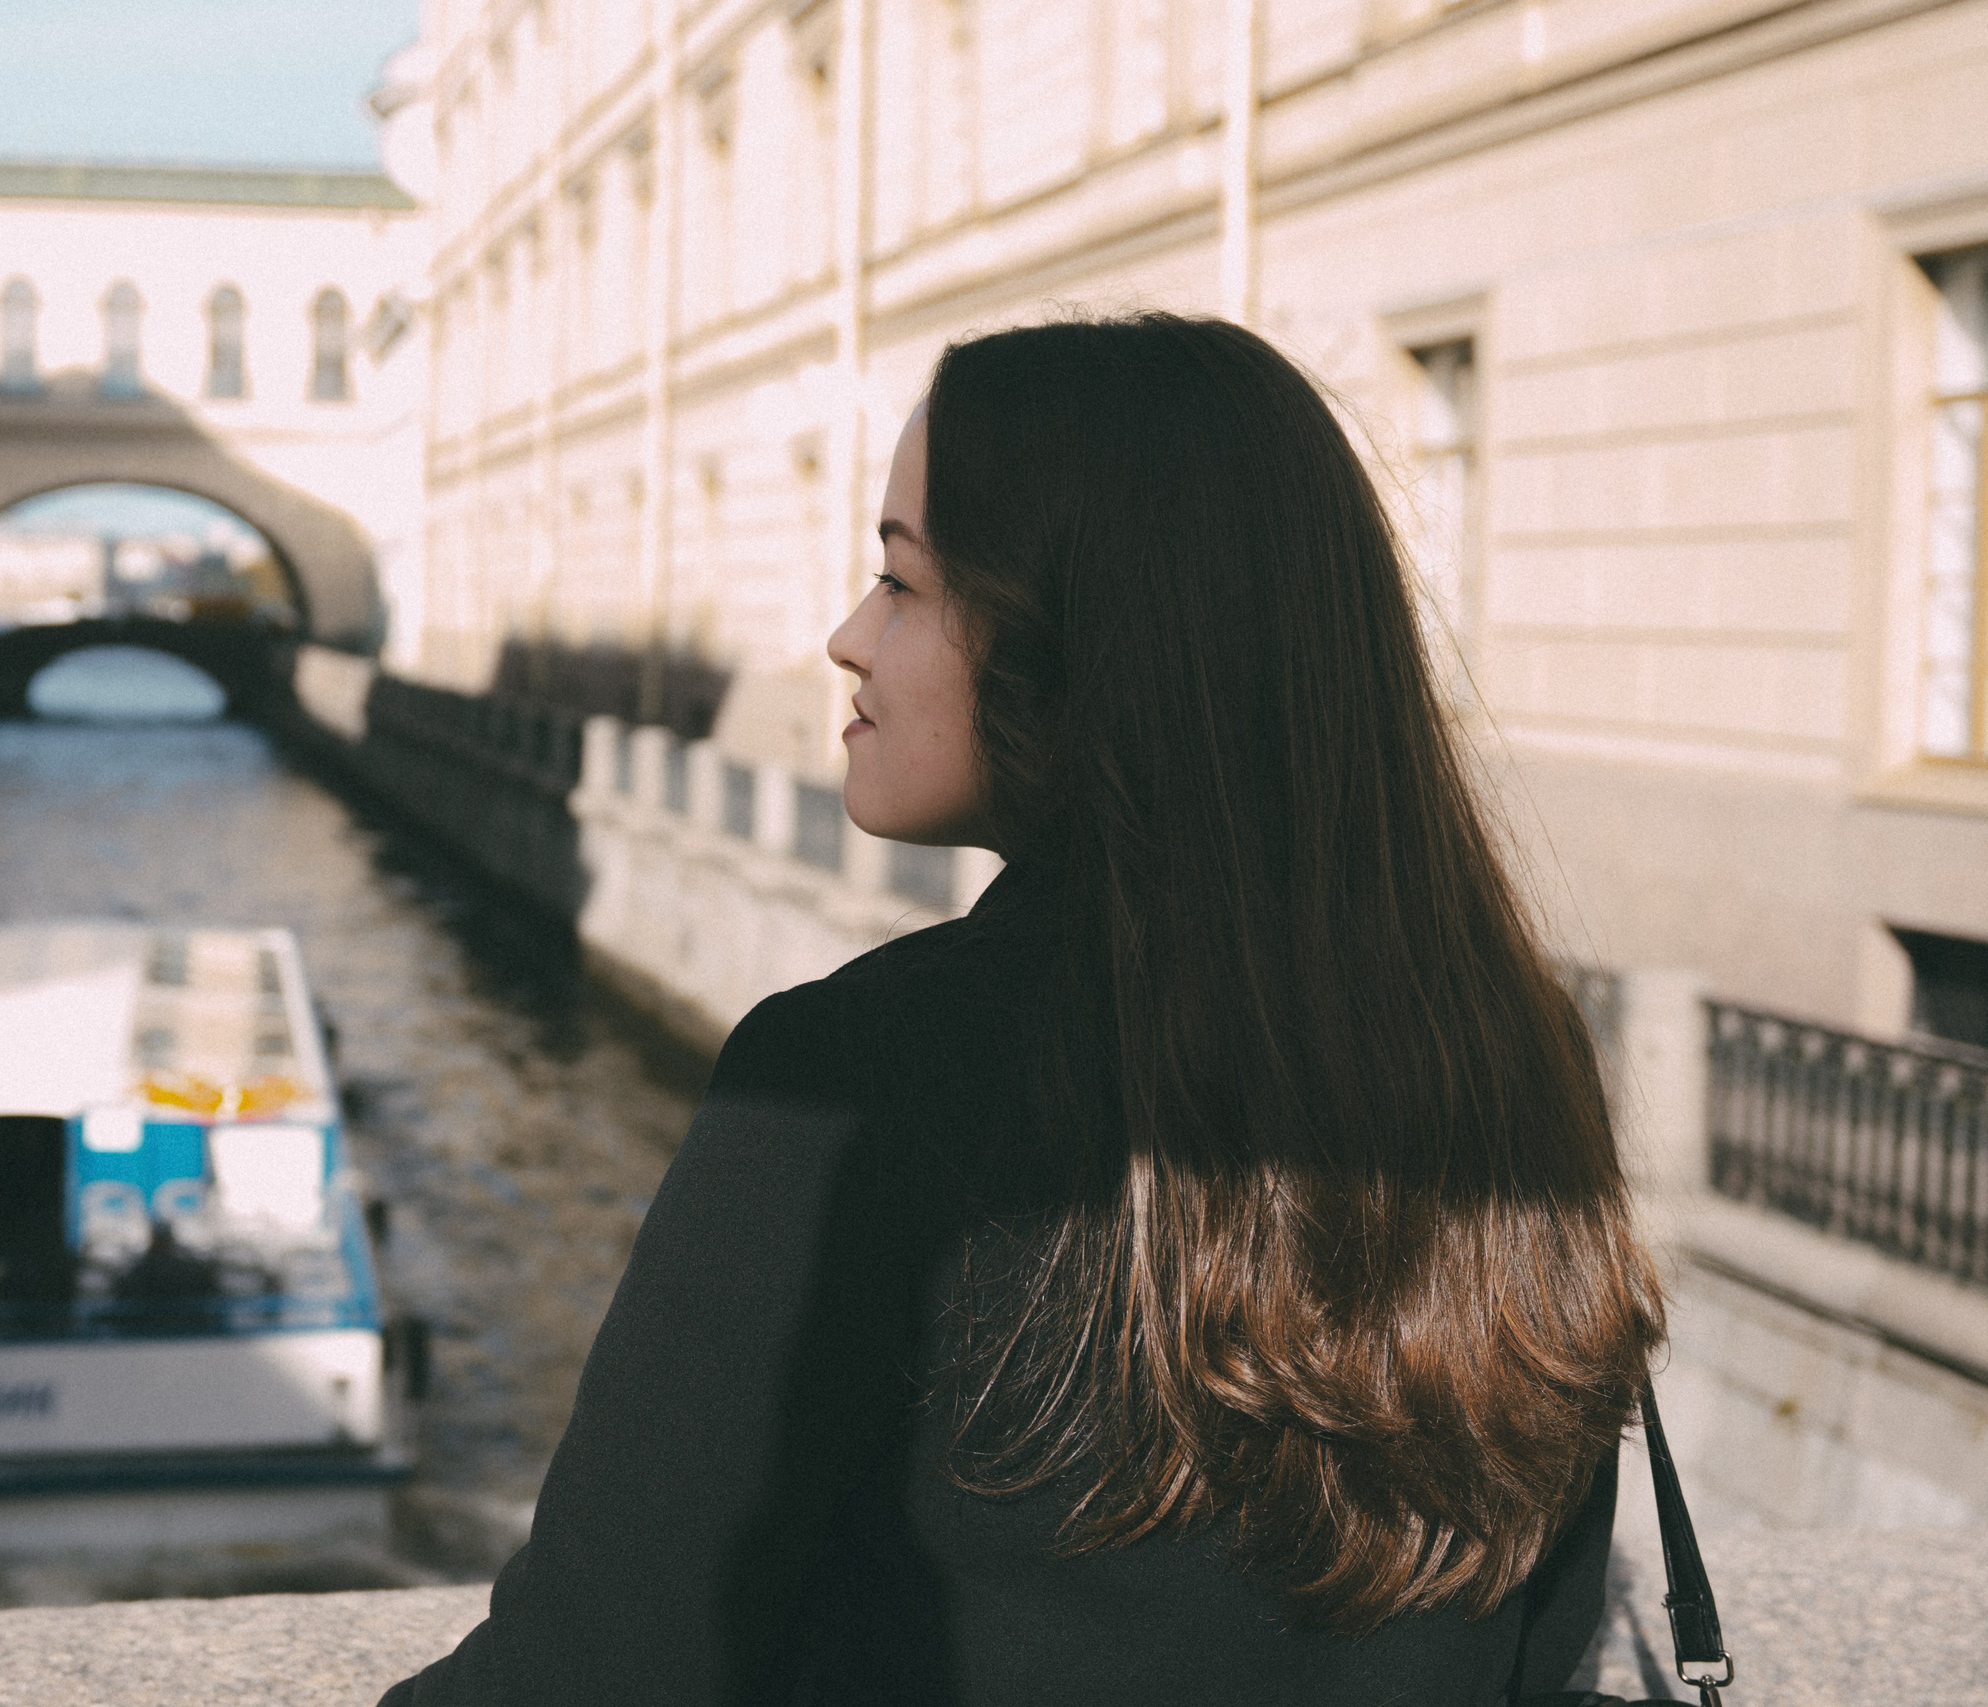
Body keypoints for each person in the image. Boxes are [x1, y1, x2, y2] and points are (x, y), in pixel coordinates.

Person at [379, 315, 1664, 1705]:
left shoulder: (850, 1081)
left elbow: (592, 1677)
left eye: (902, 581)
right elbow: (1541, 1650)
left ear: (1078, 637)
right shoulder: (1509, 1056)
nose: (847, 637)